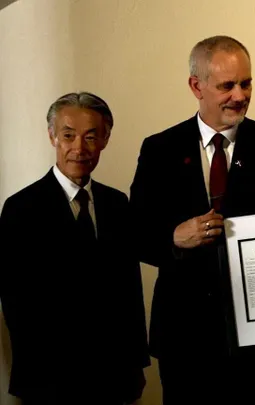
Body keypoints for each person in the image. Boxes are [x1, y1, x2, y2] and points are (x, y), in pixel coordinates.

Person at [128, 35, 255, 404]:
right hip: (187, 342)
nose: (240, 95)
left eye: (246, 83)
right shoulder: (159, 149)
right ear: (196, 86)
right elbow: (134, 234)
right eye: (227, 85)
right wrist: (173, 237)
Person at [0, 92, 150, 404]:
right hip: (50, 381)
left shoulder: (117, 203)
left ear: (106, 139)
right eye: (68, 135)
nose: (79, 148)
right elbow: (17, 304)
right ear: (52, 136)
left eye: (91, 136)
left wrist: (136, 364)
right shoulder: (20, 208)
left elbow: (129, 292)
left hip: (116, 379)